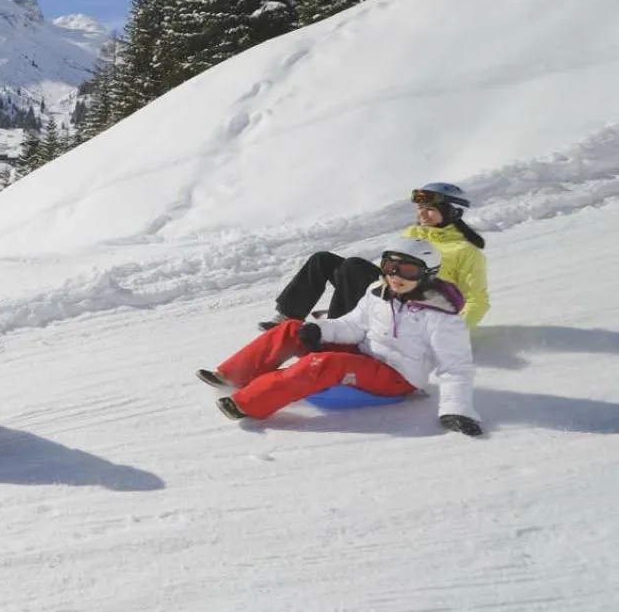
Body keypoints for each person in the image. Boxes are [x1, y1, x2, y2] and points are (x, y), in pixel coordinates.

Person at [200, 239, 483, 436]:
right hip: (365, 354)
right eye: (389, 267)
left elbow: (455, 366)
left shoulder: (441, 316)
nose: (395, 276)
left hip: (397, 377)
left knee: (324, 364)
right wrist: (320, 330)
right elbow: (353, 324)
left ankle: (247, 403)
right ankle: (233, 375)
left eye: (407, 270)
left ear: (427, 274)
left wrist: (456, 410)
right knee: (293, 328)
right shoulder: (378, 292)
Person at [259, 181, 490, 331]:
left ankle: (336, 330)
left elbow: (477, 301)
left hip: (413, 308)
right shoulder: (412, 233)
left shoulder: (464, 251)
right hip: (390, 292)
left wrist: (451, 333)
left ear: (453, 213)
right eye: (420, 208)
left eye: (430, 209)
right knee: (323, 260)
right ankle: (288, 318)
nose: (423, 213)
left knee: (353, 267)